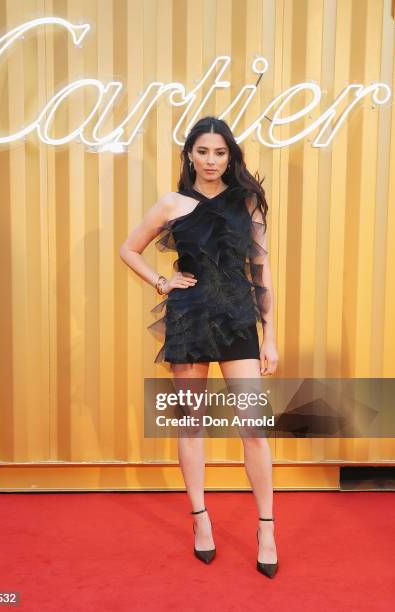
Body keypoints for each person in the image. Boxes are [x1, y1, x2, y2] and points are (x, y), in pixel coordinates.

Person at [119, 116, 279, 577]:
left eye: (220, 152)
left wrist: (271, 335)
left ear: (231, 156)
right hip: (189, 317)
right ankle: (200, 520)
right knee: (191, 425)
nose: (211, 160)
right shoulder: (171, 203)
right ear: (189, 154)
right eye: (203, 151)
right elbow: (130, 248)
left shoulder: (246, 200)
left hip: (237, 318)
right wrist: (161, 281)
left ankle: (266, 527)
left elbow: (262, 271)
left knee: (253, 428)